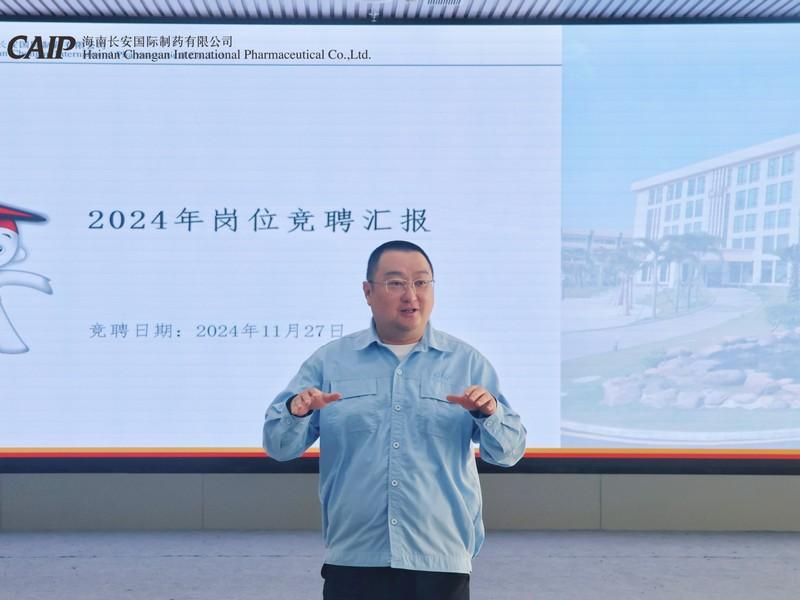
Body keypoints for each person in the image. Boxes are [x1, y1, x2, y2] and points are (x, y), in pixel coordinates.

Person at [263, 240, 526, 600]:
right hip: (355, 554)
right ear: (367, 292)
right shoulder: (330, 362)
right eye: (396, 283)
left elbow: (509, 452)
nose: (411, 295)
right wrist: (298, 410)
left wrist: (489, 411)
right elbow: (278, 446)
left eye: (421, 282)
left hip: (439, 557)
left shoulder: (466, 363)